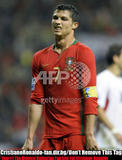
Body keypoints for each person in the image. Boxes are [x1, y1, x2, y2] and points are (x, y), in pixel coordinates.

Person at [22, 4, 98, 150]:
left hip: (76, 136)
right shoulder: (39, 57)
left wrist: (89, 134)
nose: (57, 22)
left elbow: (90, 95)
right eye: (55, 18)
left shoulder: (83, 53)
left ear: (74, 25)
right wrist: (29, 138)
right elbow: (36, 99)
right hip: (49, 139)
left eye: (63, 19)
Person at [96, 44, 122, 149]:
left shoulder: (120, 81)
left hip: (118, 143)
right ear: (115, 58)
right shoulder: (103, 78)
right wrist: (114, 131)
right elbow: (97, 108)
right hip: (105, 142)